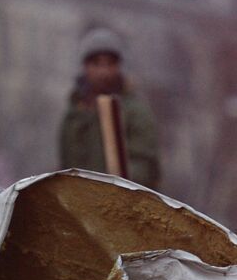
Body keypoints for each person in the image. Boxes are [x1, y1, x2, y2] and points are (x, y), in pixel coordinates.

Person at [57, 27, 162, 189]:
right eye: (96, 63)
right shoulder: (74, 115)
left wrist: (115, 183)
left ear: (118, 66)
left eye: (110, 64)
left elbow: (147, 167)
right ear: (85, 66)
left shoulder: (135, 112)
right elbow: (66, 164)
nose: (103, 72)